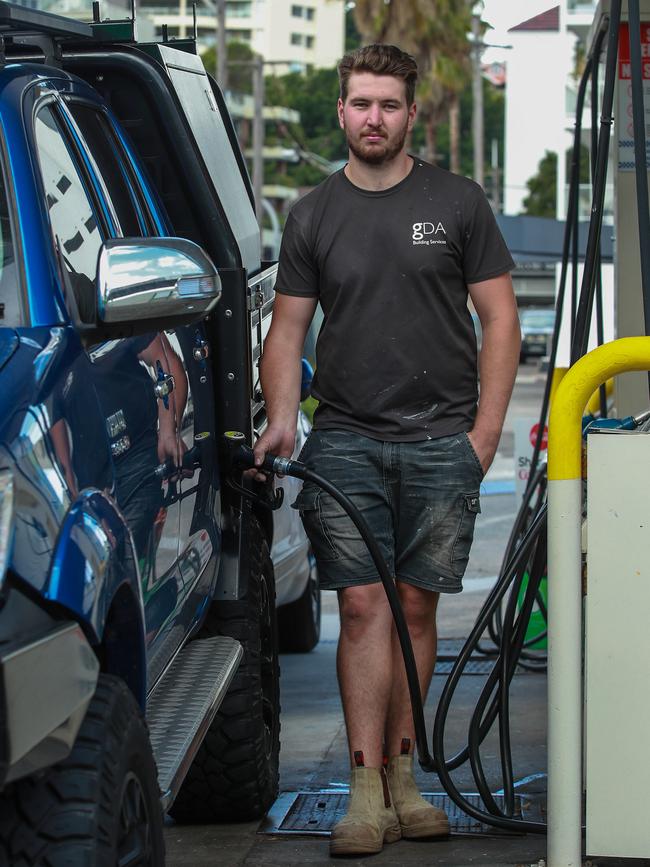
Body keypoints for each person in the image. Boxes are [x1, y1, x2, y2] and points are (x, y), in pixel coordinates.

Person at [254, 43, 520, 857]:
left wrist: (482, 437)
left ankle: (408, 779)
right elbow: (287, 328)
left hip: (444, 441)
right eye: (361, 103)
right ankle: (364, 791)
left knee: (414, 608)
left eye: (389, 104)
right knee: (362, 608)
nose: (374, 117)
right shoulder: (313, 214)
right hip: (347, 441)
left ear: (411, 113)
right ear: (341, 111)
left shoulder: (459, 201)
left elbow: (500, 321)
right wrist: (280, 419)